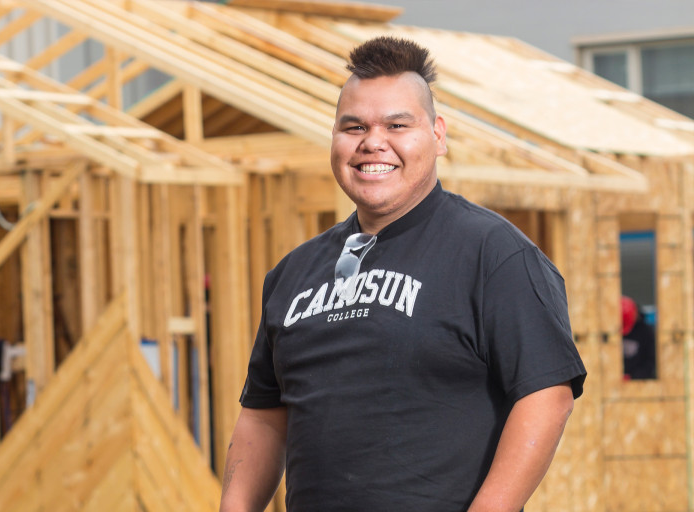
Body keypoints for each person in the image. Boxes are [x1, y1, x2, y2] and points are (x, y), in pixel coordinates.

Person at [219, 36, 587, 512]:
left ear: (437, 135)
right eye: (353, 127)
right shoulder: (293, 273)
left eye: (397, 124)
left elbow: (547, 395)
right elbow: (264, 415)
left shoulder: (492, 254)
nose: (373, 142)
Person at [621, 295, 657, 380]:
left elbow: (650, 361)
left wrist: (633, 377)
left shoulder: (646, 332)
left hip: (640, 382)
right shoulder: (613, 332)